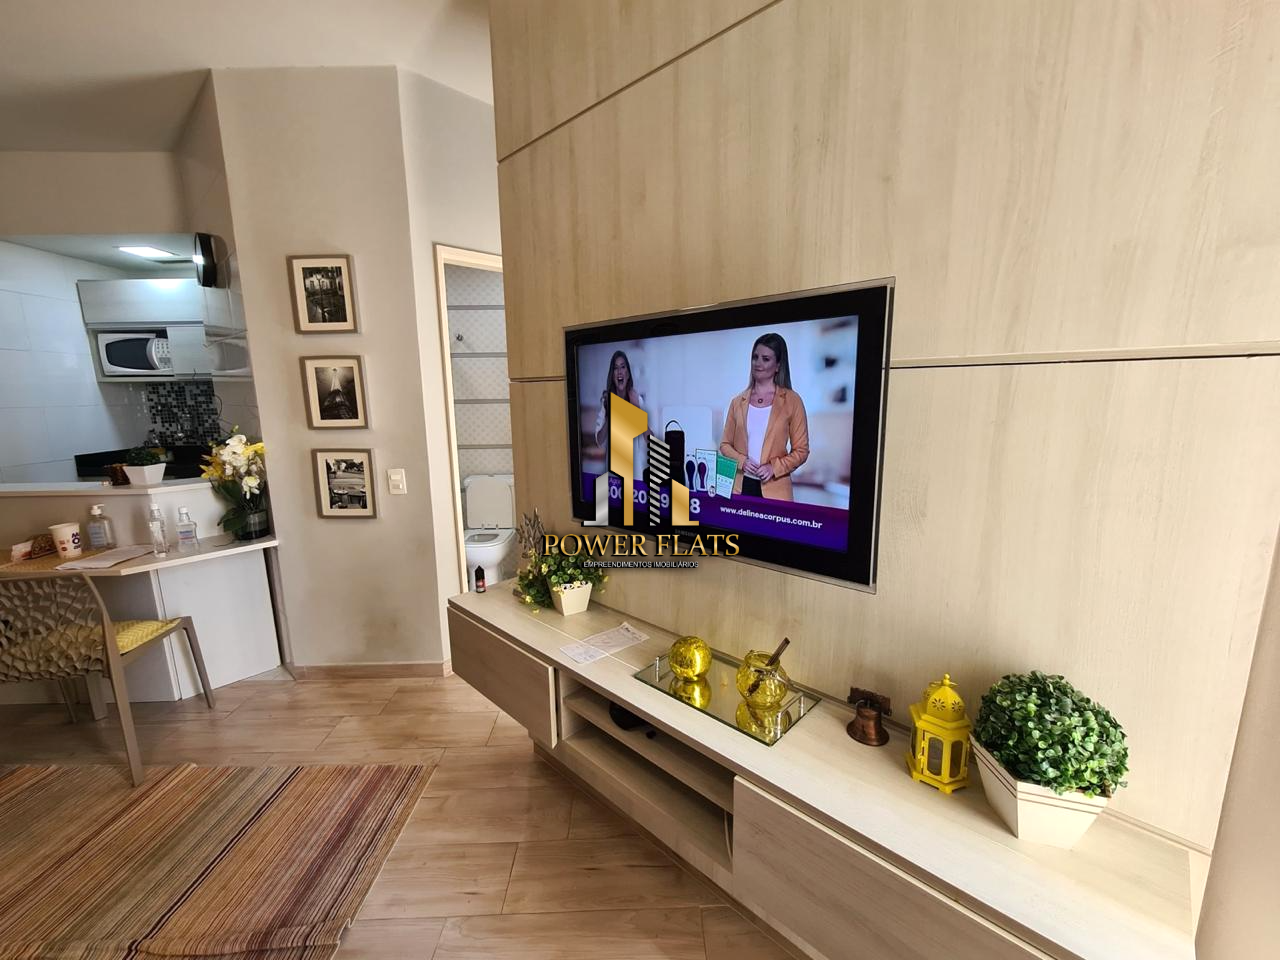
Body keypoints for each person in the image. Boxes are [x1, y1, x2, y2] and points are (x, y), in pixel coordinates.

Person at [719, 333, 809, 500]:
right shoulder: (737, 402)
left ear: (778, 366)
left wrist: (774, 468)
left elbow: (801, 451)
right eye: (755, 357)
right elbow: (725, 445)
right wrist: (742, 461)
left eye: (765, 359)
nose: (757, 363)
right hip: (739, 488)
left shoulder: (792, 401)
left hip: (776, 492)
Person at [593, 350, 649, 476]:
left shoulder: (637, 400)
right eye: (615, 368)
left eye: (623, 367)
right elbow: (599, 440)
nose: (619, 371)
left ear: (627, 374)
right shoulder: (606, 402)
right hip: (613, 476)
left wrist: (637, 409)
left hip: (634, 475)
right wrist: (610, 415)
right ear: (612, 375)